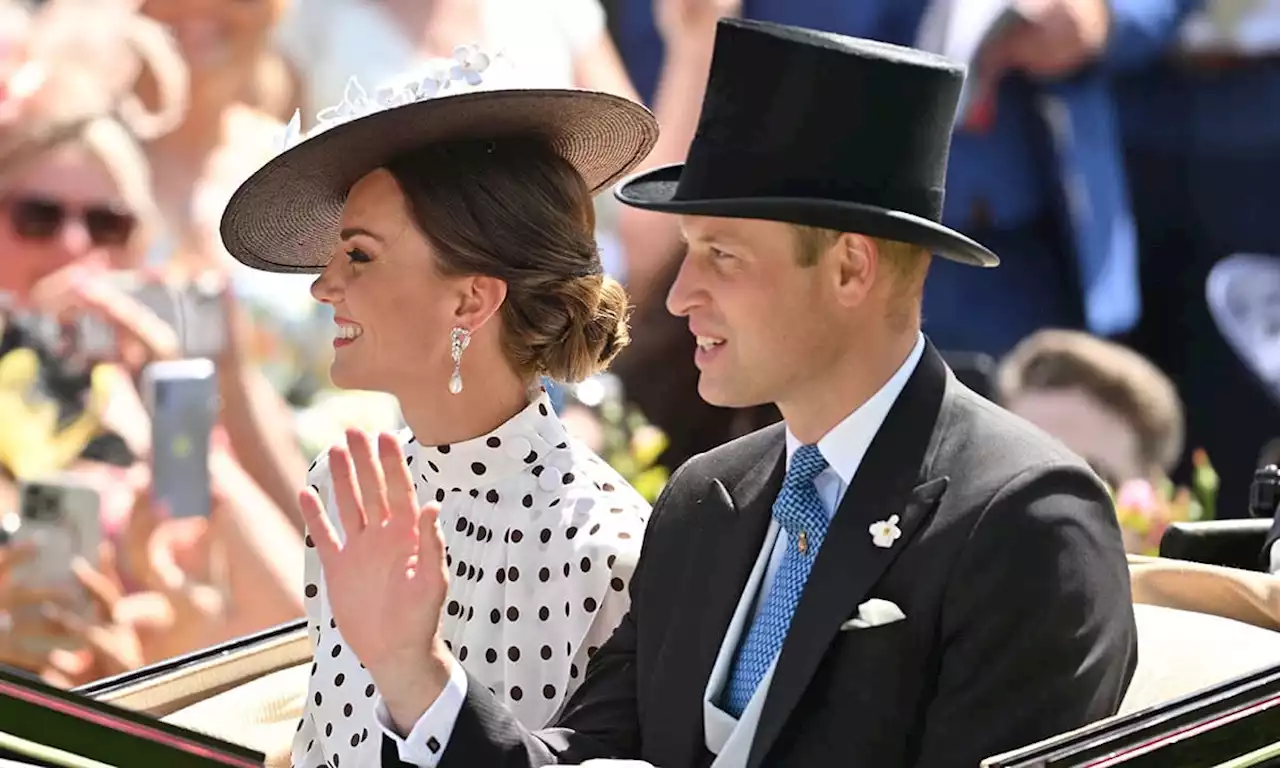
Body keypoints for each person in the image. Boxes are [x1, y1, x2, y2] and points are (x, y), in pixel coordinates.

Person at [301, 19, 1139, 768]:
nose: (678, 295)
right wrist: (415, 670)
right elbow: (578, 759)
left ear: (851, 266)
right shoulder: (708, 503)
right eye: (688, 249)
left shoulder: (1026, 521)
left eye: (724, 256)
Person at [217, 50, 660, 768]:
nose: (323, 286)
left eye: (358, 255)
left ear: (470, 300)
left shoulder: (604, 549)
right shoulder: (346, 487)